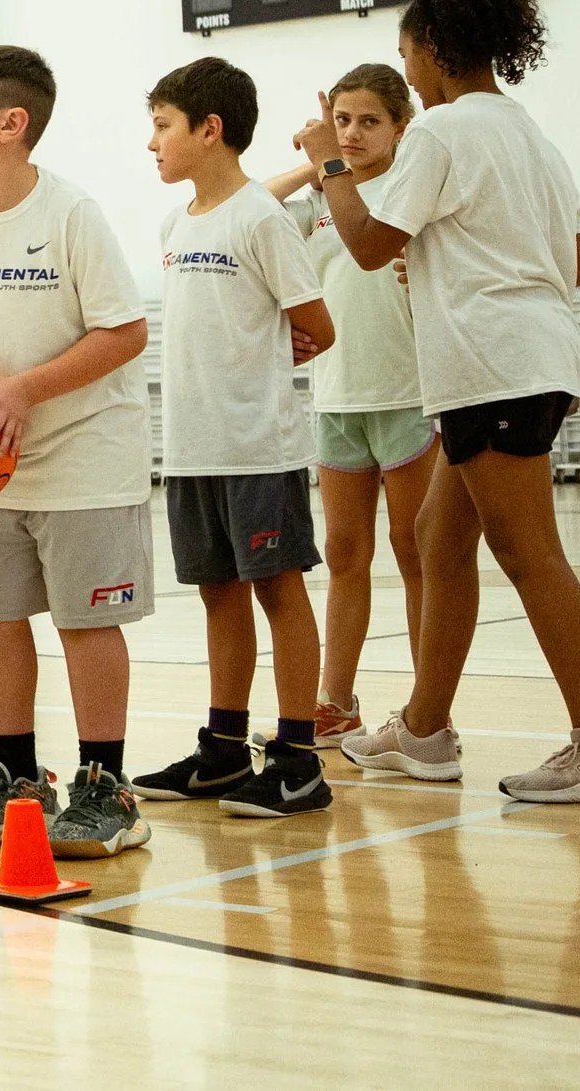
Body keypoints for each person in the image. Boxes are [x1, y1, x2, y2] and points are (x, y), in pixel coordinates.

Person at [308, 0, 580, 804]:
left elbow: (365, 242)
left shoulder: (442, 130)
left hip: (491, 364)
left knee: (528, 552)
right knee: (437, 536)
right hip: (531, 356)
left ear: (431, 47)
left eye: (407, 52)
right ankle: (424, 729)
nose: (411, 70)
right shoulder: (528, 132)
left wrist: (331, 164)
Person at [0, 45, 157, 861]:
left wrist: (25, 389)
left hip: (86, 453)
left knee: (86, 624)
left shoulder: (71, 214)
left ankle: (104, 789)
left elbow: (126, 331)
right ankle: (15, 778)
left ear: (11, 123)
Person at [136, 58, 337, 819]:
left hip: (258, 447)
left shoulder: (260, 219)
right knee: (219, 595)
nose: (151, 143)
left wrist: (257, 359)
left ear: (209, 129)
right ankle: (223, 748)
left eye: (162, 125)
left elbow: (317, 326)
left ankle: (296, 756)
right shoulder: (175, 222)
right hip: (192, 446)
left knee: (279, 591)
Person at [261, 65, 436, 742]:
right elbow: (254, 207)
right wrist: (315, 168)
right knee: (343, 553)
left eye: (370, 120)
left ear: (401, 125)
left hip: (409, 393)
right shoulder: (321, 196)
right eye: (343, 119)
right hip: (335, 398)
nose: (354, 132)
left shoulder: (407, 189)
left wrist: (329, 157)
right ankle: (335, 700)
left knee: (414, 547)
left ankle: (429, 706)